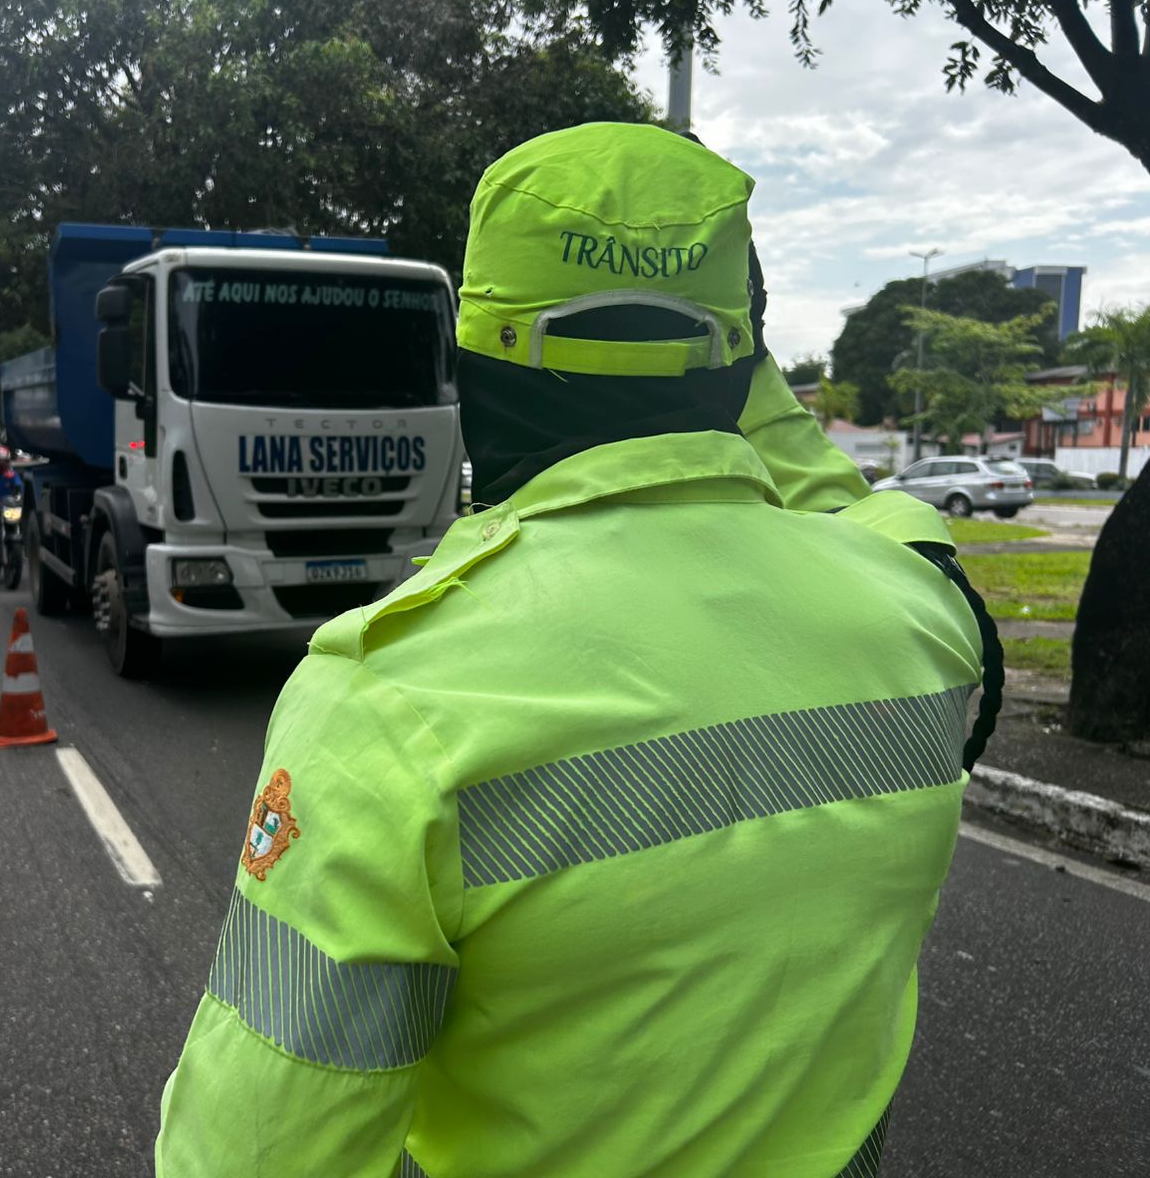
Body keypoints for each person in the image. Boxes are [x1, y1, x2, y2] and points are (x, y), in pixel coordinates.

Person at [154, 123, 999, 1177]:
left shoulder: (388, 697)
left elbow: (258, 1154)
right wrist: (723, 327)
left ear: (473, 360)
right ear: (741, 362)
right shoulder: (923, 619)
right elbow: (861, 508)